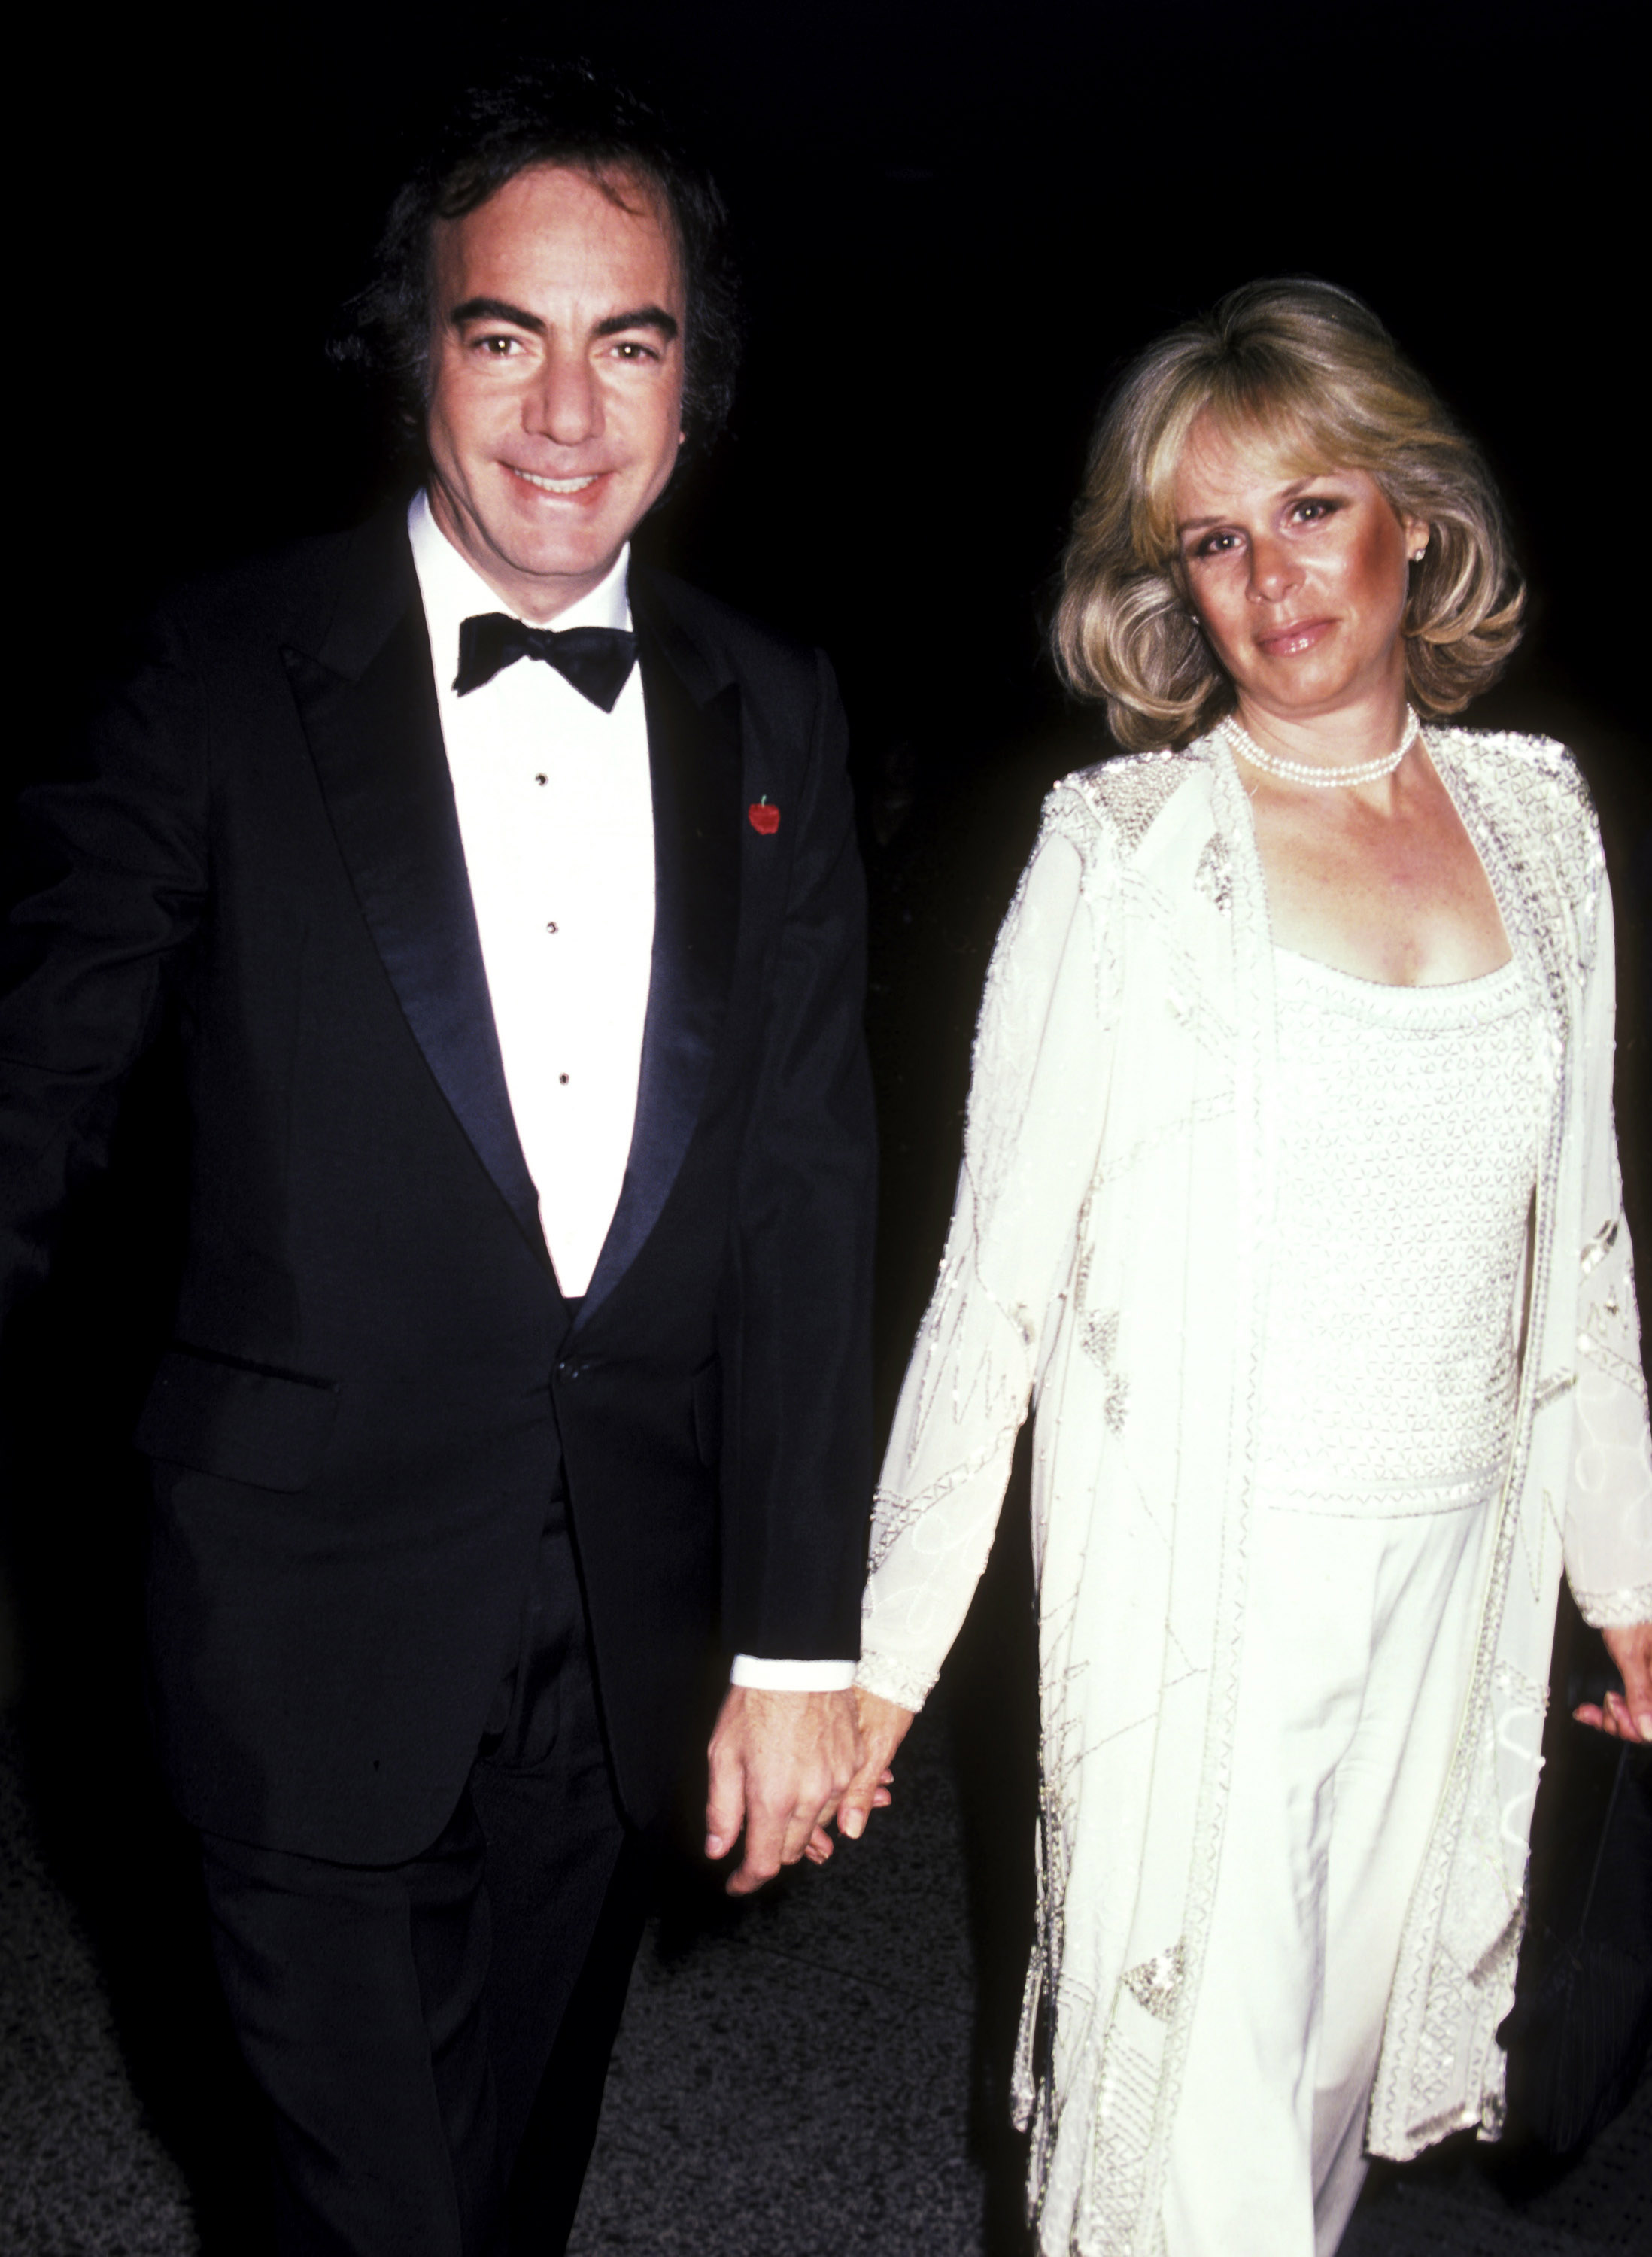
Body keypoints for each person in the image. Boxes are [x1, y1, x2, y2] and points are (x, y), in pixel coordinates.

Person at [0, 65, 876, 2257]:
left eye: (630, 338)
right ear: (421, 358)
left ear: (696, 380)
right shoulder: (213, 671)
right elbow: (33, 1094)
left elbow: (796, 1181)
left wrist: (791, 1638)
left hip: (629, 1638)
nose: (567, 408)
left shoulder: (774, 707)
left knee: (506, 2193)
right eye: (507, 333)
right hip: (298, 1615)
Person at [835, 281, 1652, 2254]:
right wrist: (872, 1663)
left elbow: (1588, 1250)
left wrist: (1627, 1593)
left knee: (1304, 2119)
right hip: (1209, 1586)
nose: (1268, 579)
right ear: (1169, 588)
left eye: (1304, 509)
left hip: (1452, 1585)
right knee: (1186, 2169)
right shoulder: (1125, 855)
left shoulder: (1537, 827)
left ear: (1409, 516)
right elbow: (993, 1285)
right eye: (1210, 539)